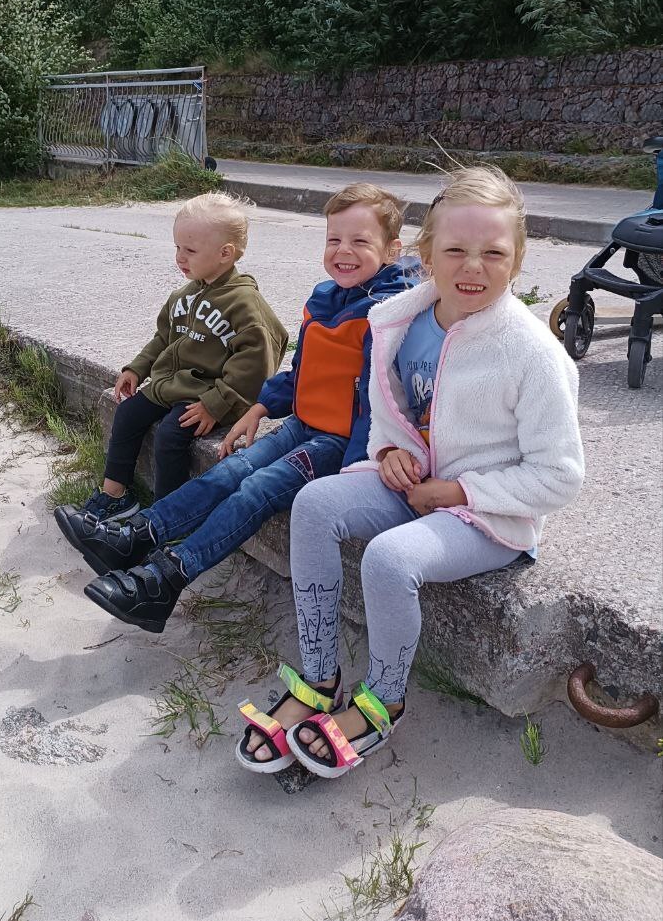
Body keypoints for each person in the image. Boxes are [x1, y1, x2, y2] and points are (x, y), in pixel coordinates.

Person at [235, 166, 584, 778]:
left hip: (487, 512)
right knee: (313, 503)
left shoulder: (534, 354)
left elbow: (559, 476)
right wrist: (388, 452)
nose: (472, 267)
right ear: (425, 255)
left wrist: (459, 491)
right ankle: (319, 679)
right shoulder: (401, 322)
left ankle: (384, 698)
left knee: (389, 559)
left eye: (493, 253)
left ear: (518, 260)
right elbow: (389, 414)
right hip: (415, 484)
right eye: (455, 250)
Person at [71, 184, 416, 635]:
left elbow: (381, 400)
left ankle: (166, 577)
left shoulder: (388, 313)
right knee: (231, 470)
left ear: (392, 250)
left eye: (360, 241)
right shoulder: (325, 297)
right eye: (334, 239)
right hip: (303, 424)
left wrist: (354, 472)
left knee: (256, 488)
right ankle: (135, 535)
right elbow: (302, 372)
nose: (343, 251)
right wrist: (261, 407)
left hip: (339, 443)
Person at [54, 192, 288, 547]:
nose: (180, 257)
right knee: (128, 413)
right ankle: (115, 497)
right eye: (177, 247)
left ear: (225, 253)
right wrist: (138, 368)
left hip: (211, 394)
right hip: (172, 384)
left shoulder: (245, 304)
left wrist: (217, 403)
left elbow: (257, 363)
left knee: (170, 435)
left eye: (190, 250)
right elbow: (163, 338)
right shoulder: (184, 296)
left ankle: (165, 520)